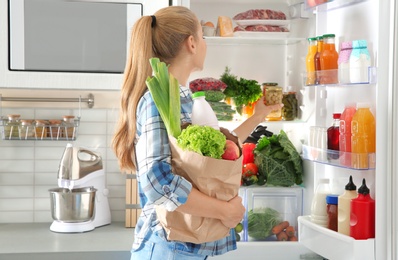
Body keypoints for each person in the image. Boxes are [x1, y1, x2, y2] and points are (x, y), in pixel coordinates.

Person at [112, 6, 283, 260]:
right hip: (168, 246)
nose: (204, 44)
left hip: (186, 245)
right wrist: (224, 211)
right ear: (191, 43)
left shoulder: (186, 99)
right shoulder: (156, 101)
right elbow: (158, 181)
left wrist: (257, 116)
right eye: (202, 37)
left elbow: (215, 151)